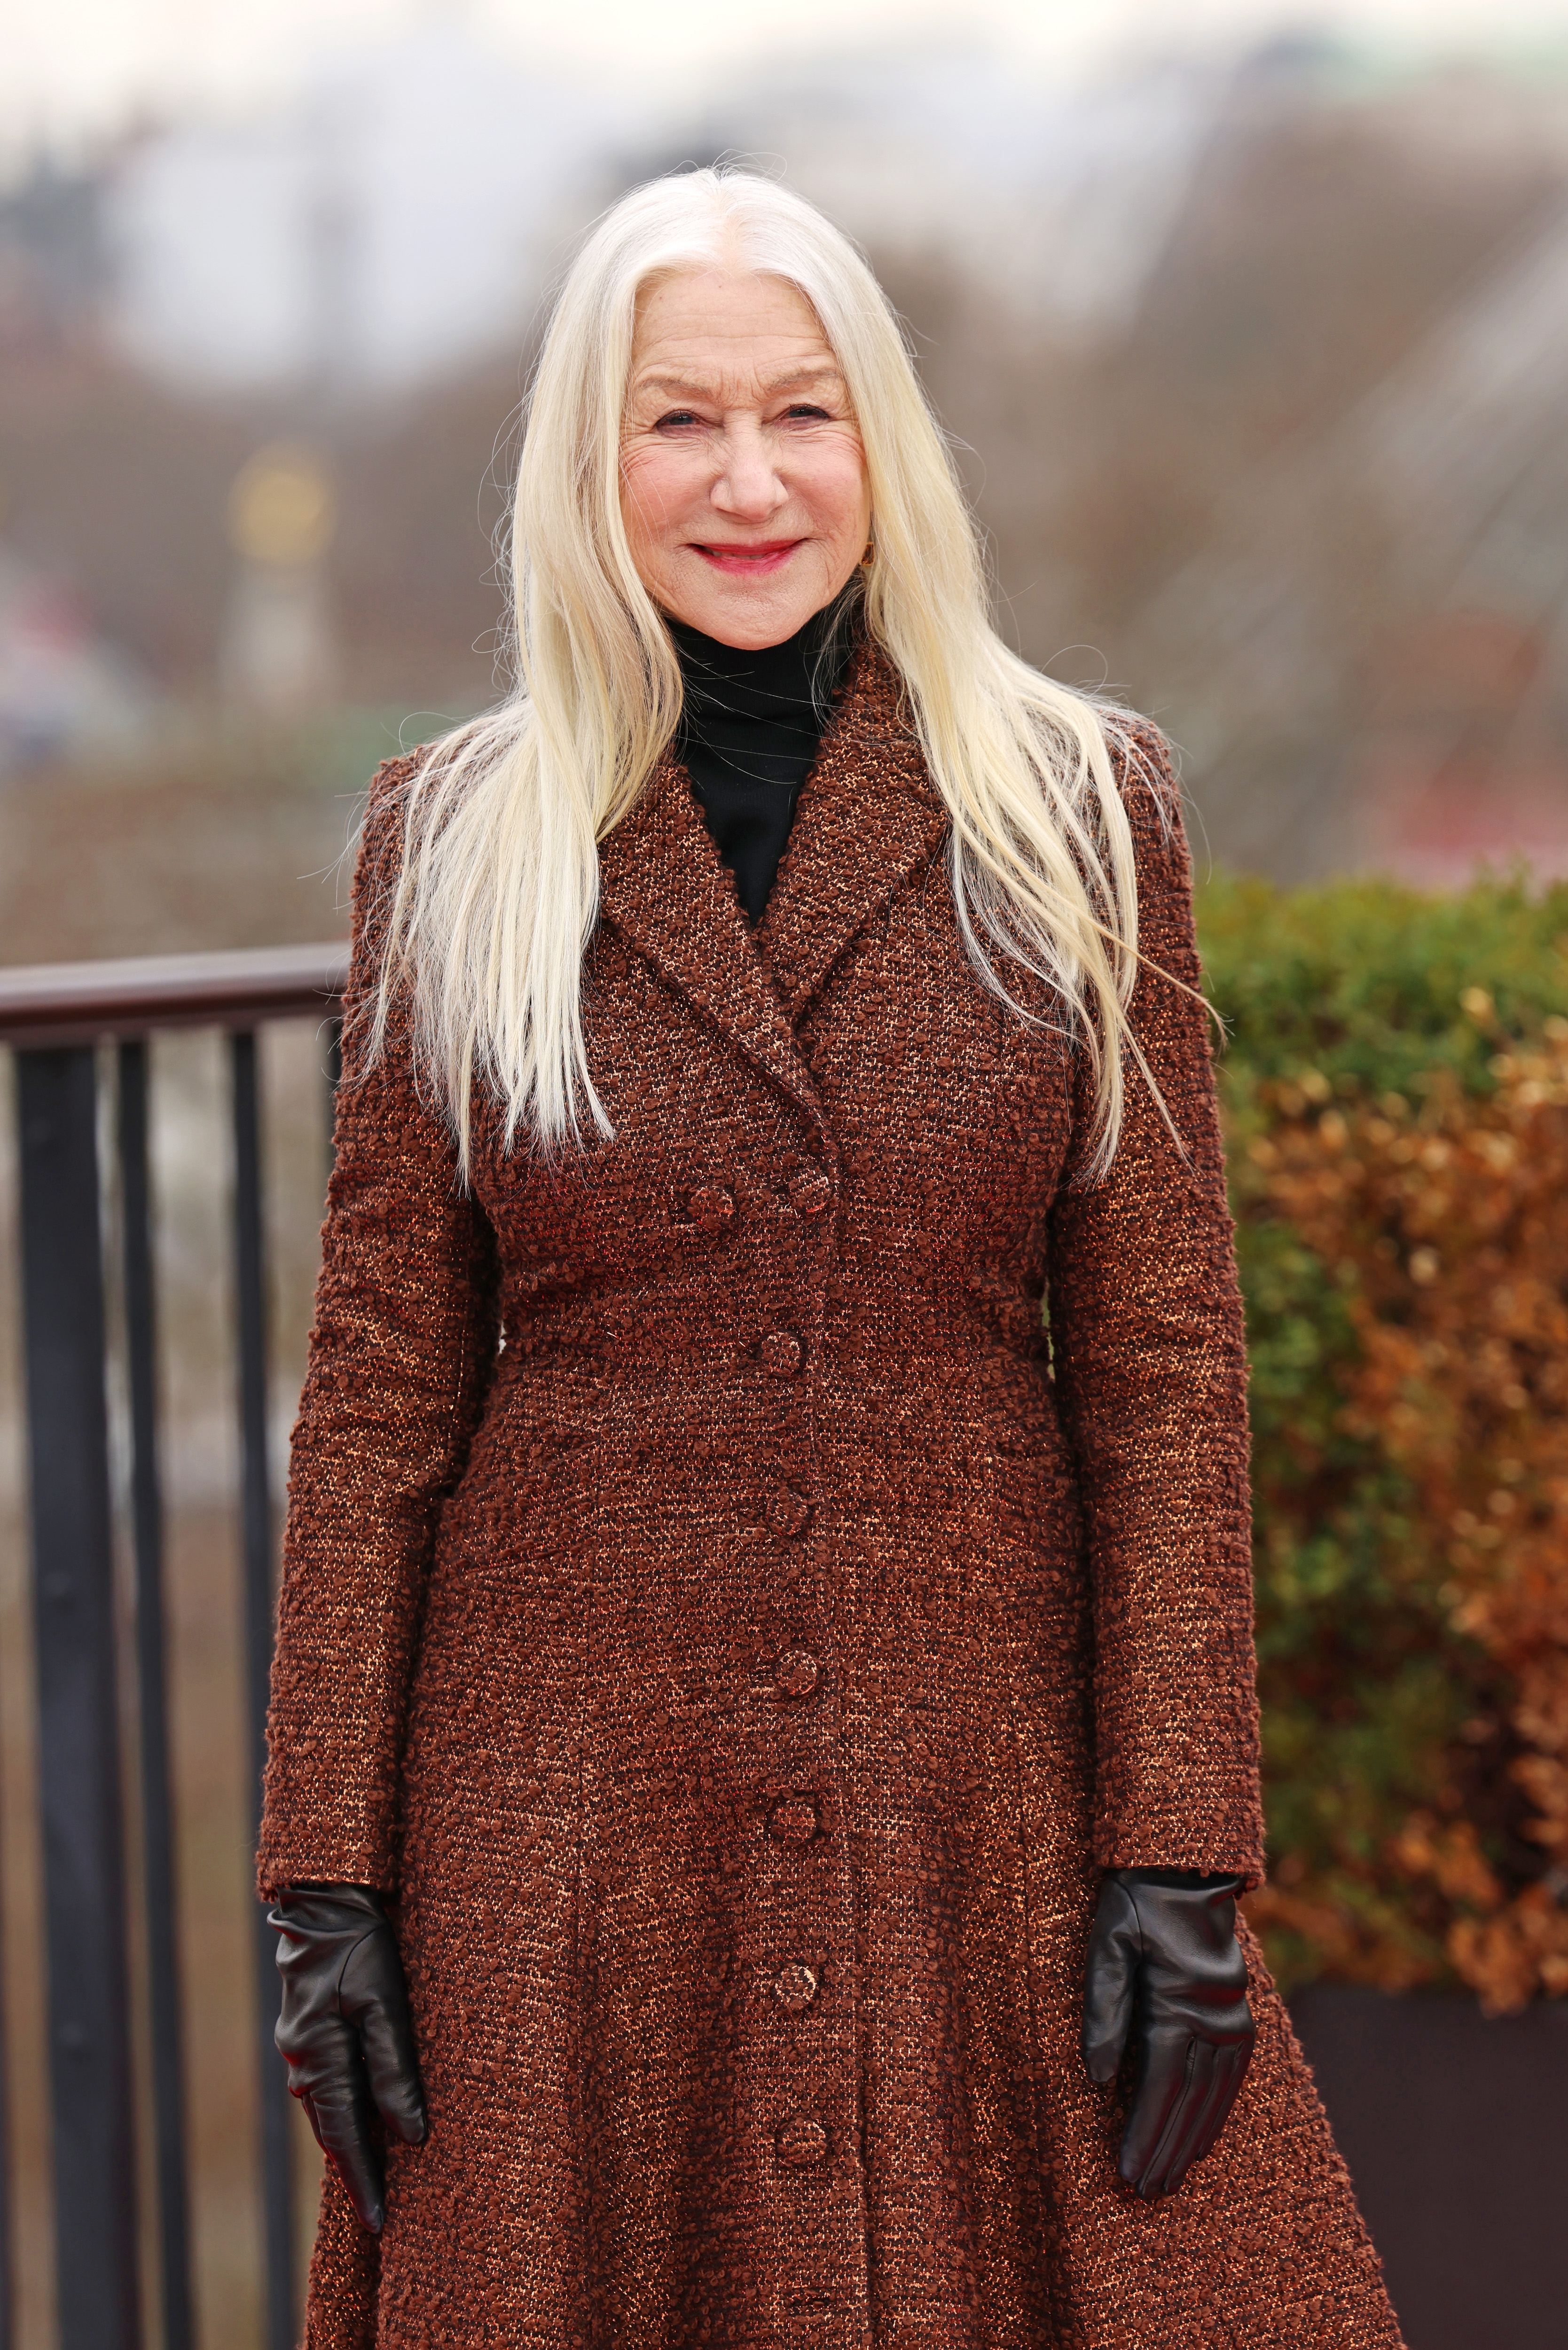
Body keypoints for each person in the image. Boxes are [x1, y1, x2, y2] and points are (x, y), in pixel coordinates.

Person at [259, 168, 1403, 2348]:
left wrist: (1182, 1839)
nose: (751, 478)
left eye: (804, 411)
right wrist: (330, 1867)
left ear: (885, 441)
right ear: (590, 463)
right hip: (565, 1820)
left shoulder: (1080, 805)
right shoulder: (447, 839)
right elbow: (388, 1373)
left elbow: (1160, 1355)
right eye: (678, 420)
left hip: (980, 1778)